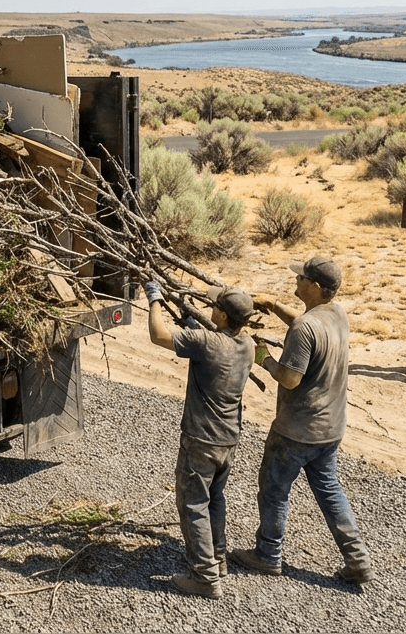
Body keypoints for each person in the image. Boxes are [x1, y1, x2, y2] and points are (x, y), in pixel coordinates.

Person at [228, 256, 374, 585]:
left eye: (302, 278)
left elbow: (290, 378)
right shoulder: (336, 314)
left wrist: (264, 358)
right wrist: (276, 305)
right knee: (329, 491)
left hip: (296, 431)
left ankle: (267, 555)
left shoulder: (305, 328)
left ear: (316, 287)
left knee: (274, 490)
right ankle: (358, 559)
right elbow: (306, 325)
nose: (297, 280)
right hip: (330, 426)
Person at [143, 279, 256, 600]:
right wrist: (190, 322)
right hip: (228, 439)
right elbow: (214, 342)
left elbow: (158, 335)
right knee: (214, 499)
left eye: (214, 307)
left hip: (202, 440)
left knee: (192, 503)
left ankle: (204, 577)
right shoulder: (246, 345)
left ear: (221, 315)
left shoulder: (205, 343)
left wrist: (154, 298)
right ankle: (217, 561)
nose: (210, 309)